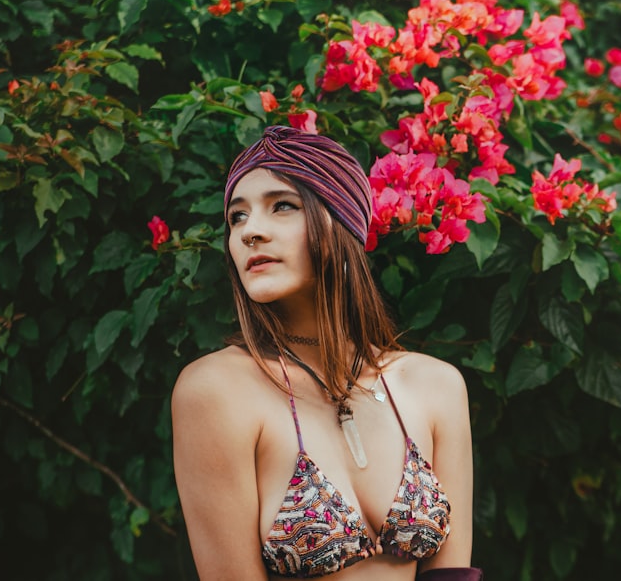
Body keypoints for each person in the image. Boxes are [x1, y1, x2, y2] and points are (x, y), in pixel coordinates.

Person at [172, 125, 481, 580]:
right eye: (237, 217)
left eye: (282, 206)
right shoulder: (217, 391)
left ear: (341, 223)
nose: (250, 232)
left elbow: (451, 575)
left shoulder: (434, 385)